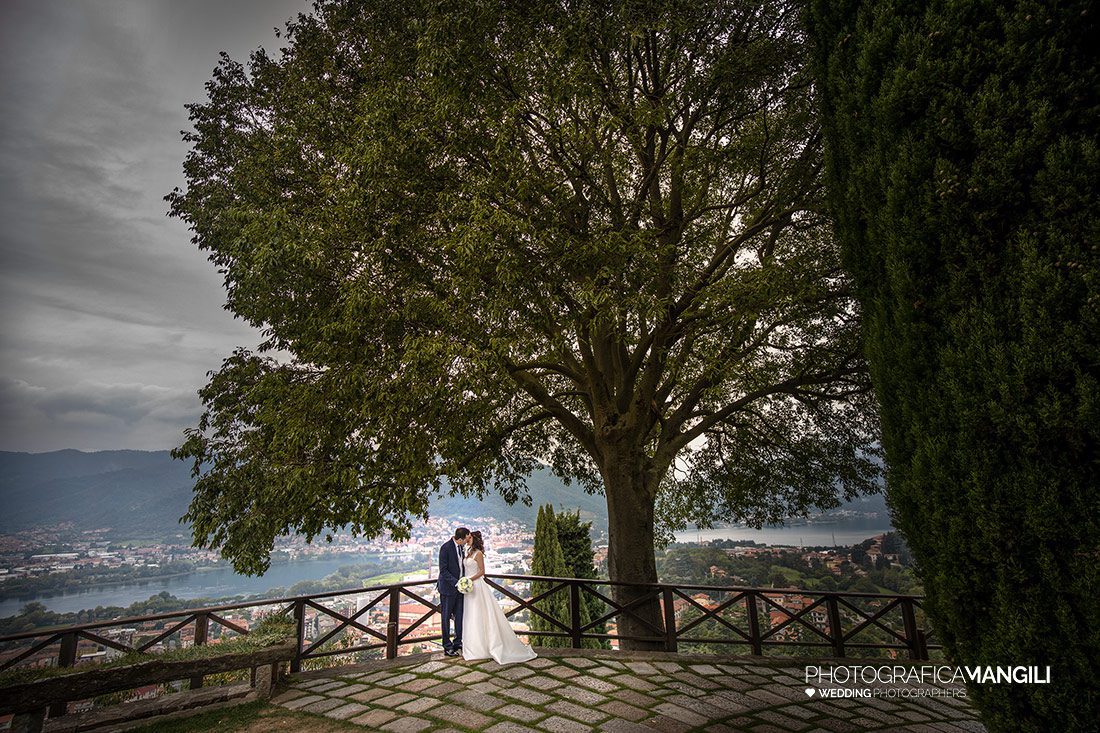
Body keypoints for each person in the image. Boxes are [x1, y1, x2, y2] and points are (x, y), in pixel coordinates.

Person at [461, 530, 537, 664]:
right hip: (469, 589)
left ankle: (485, 647)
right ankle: (474, 646)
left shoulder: (478, 554)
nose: (467, 539)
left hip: (477, 586)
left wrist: (469, 580)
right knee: (471, 616)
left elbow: (482, 572)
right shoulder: (468, 552)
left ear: (474, 539)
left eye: (469, 537)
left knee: (480, 615)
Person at [438, 527, 469, 657]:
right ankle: (447, 646)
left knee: (459, 616)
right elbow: (443, 570)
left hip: (459, 590)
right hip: (448, 589)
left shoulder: (462, 548)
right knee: (445, 618)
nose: (468, 541)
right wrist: (457, 583)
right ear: (460, 539)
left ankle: (457, 642)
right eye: (466, 538)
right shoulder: (445, 548)